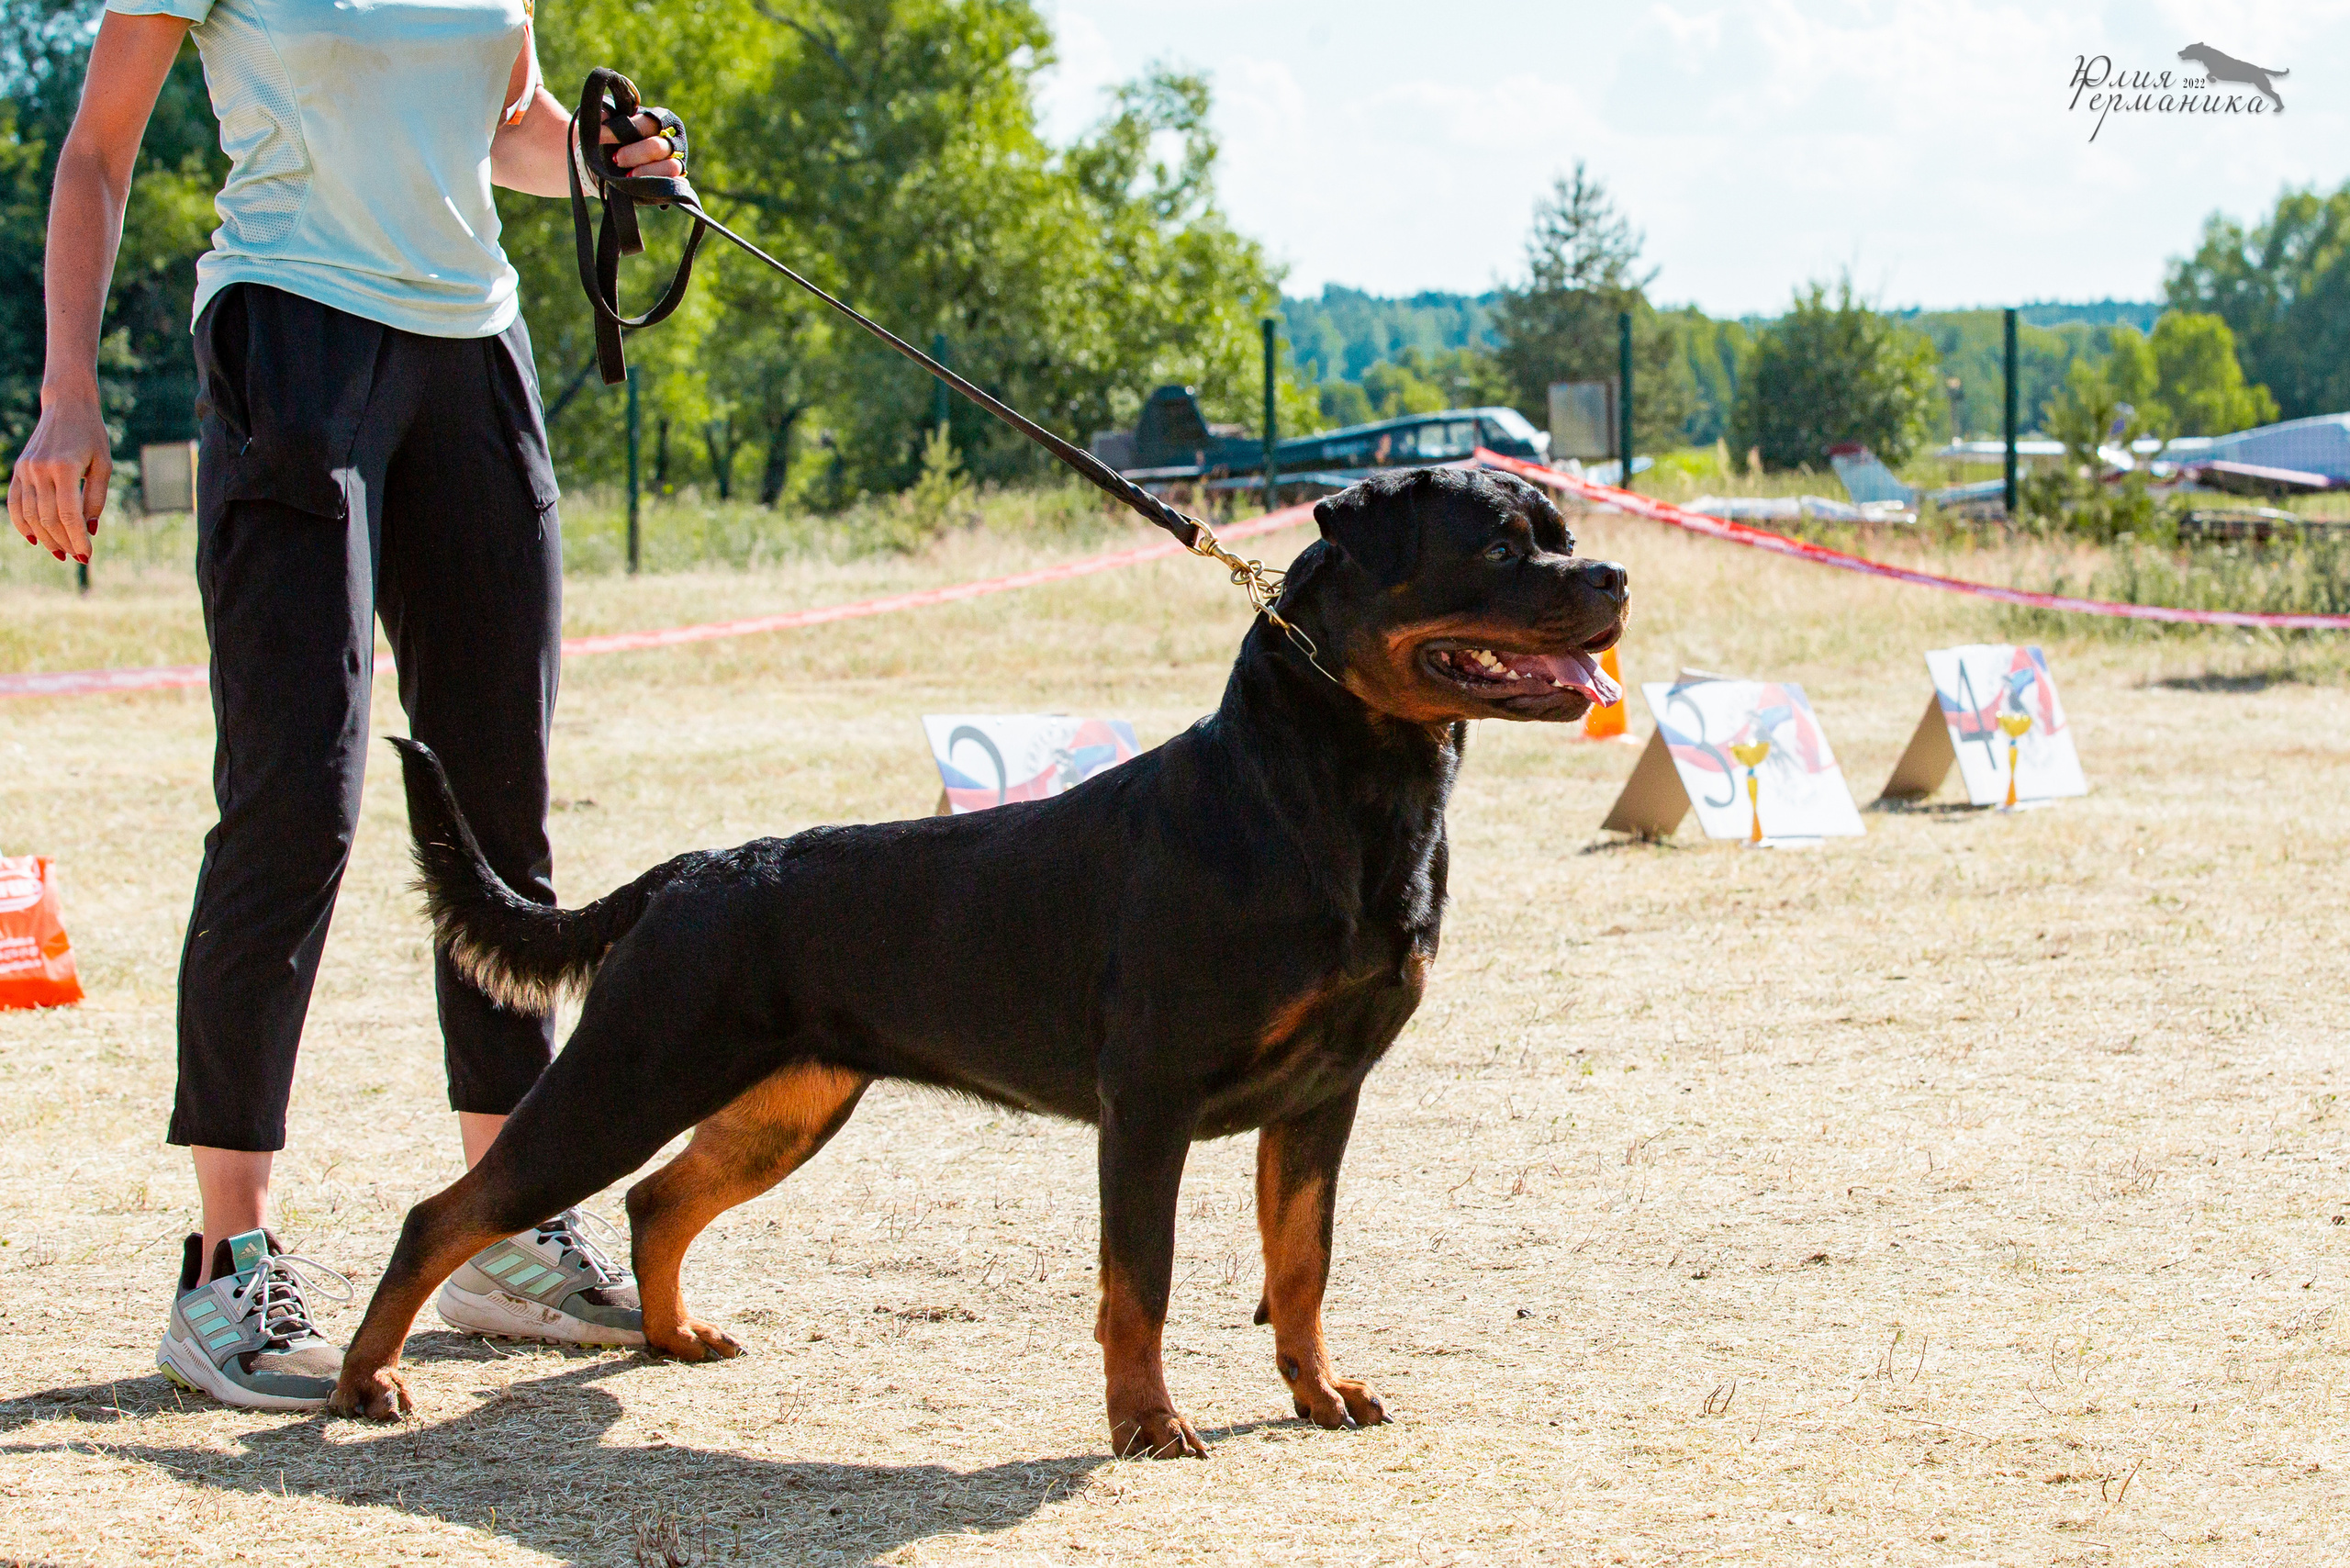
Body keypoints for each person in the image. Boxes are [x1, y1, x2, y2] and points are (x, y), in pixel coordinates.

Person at [7, 0, 684, 1409]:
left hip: (471, 355)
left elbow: (502, 120)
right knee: (294, 797)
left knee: (501, 803)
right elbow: (95, 152)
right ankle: (223, 1266)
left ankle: (504, 1226)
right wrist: (67, 391)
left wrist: (597, 159)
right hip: (293, 335)